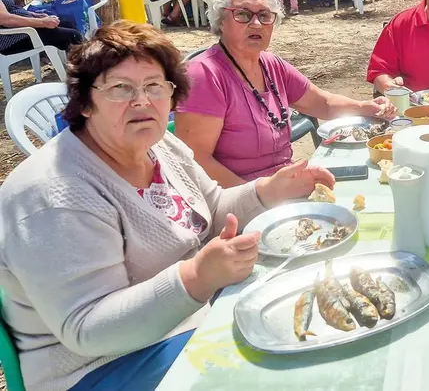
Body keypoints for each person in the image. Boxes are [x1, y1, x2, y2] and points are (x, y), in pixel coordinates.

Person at [0, 20, 336, 391]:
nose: (142, 101)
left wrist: (268, 190)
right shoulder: (55, 195)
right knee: (290, 366)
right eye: (119, 88)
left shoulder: (159, 147)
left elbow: (213, 208)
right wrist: (197, 277)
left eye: (154, 87)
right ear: (85, 104)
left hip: (185, 322)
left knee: (312, 311)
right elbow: (88, 329)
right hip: (99, 369)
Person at [175, 0, 394, 186]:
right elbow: (196, 160)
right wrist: (258, 197)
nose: (256, 24)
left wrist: (366, 107)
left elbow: (322, 103)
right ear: (221, 21)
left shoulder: (271, 65)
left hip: (284, 185)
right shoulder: (204, 75)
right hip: (237, 199)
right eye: (243, 14)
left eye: (264, 15)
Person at [0, 0, 83, 55]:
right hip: (13, 38)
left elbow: (11, 9)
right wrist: (43, 22)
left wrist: (35, 15)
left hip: (25, 29)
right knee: (73, 35)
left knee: (68, 24)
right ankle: (86, 68)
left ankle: (78, 63)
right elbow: (6, 20)